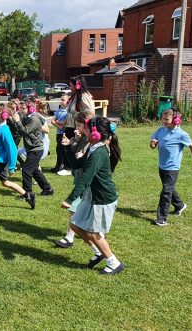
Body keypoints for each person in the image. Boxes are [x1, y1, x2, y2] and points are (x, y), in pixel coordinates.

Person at [61, 117, 124, 275]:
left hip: (102, 199)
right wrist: (69, 148)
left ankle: (113, 262)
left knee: (93, 233)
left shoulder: (99, 152)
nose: (84, 131)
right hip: (91, 196)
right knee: (75, 224)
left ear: (95, 134)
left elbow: (86, 178)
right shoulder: (93, 148)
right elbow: (76, 166)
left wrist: (70, 199)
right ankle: (99, 252)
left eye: (87, 129)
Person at [150, 108, 192, 226]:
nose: (164, 121)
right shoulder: (161, 130)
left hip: (173, 167)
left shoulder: (182, 134)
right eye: (163, 119)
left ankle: (162, 218)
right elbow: (153, 144)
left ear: (176, 120)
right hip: (162, 165)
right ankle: (180, 205)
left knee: (166, 192)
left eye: (166, 119)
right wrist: (152, 144)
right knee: (169, 188)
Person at [54, 110, 95, 248]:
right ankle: (80, 235)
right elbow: (74, 158)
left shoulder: (91, 140)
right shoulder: (81, 137)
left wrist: (77, 147)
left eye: (79, 125)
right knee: (80, 209)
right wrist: (72, 143)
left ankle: (70, 237)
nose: (76, 128)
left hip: (86, 180)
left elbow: (83, 157)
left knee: (74, 207)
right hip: (79, 177)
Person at [9, 99, 54, 209]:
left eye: (23, 108)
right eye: (21, 108)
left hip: (36, 149)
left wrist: (18, 121)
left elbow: (24, 131)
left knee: (26, 170)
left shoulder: (34, 118)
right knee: (33, 170)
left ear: (30, 108)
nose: (21, 110)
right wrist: (13, 119)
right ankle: (47, 188)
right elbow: (19, 130)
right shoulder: (27, 117)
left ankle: (27, 193)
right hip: (31, 148)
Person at [64, 76, 95, 170]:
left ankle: (74, 167)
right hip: (71, 125)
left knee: (76, 147)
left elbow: (90, 113)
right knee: (68, 146)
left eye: (71, 85)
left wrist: (84, 125)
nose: (69, 87)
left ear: (77, 86)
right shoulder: (75, 96)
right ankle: (70, 166)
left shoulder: (84, 96)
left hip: (79, 127)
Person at [51, 94, 70, 175]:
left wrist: (58, 122)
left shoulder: (68, 111)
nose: (61, 101)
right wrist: (59, 125)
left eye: (63, 100)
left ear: (68, 101)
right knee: (59, 150)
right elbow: (52, 121)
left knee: (61, 149)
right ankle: (60, 165)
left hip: (64, 133)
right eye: (61, 100)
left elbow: (65, 123)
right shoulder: (60, 110)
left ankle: (61, 166)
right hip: (59, 133)